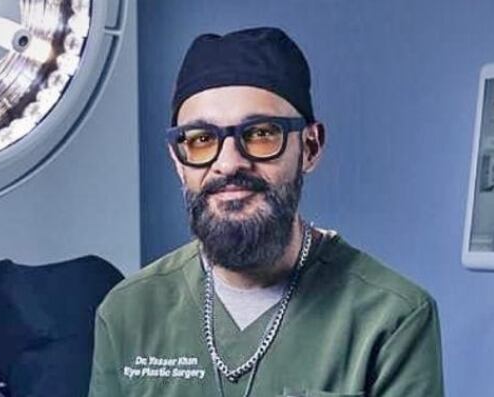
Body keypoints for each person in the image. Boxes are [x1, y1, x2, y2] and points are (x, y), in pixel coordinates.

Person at [89, 26, 444, 397]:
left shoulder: (392, 317)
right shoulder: (128, 311)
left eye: (260, 133)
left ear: (310, 146)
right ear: (178, 161)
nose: (228, 163)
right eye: (200, 140)